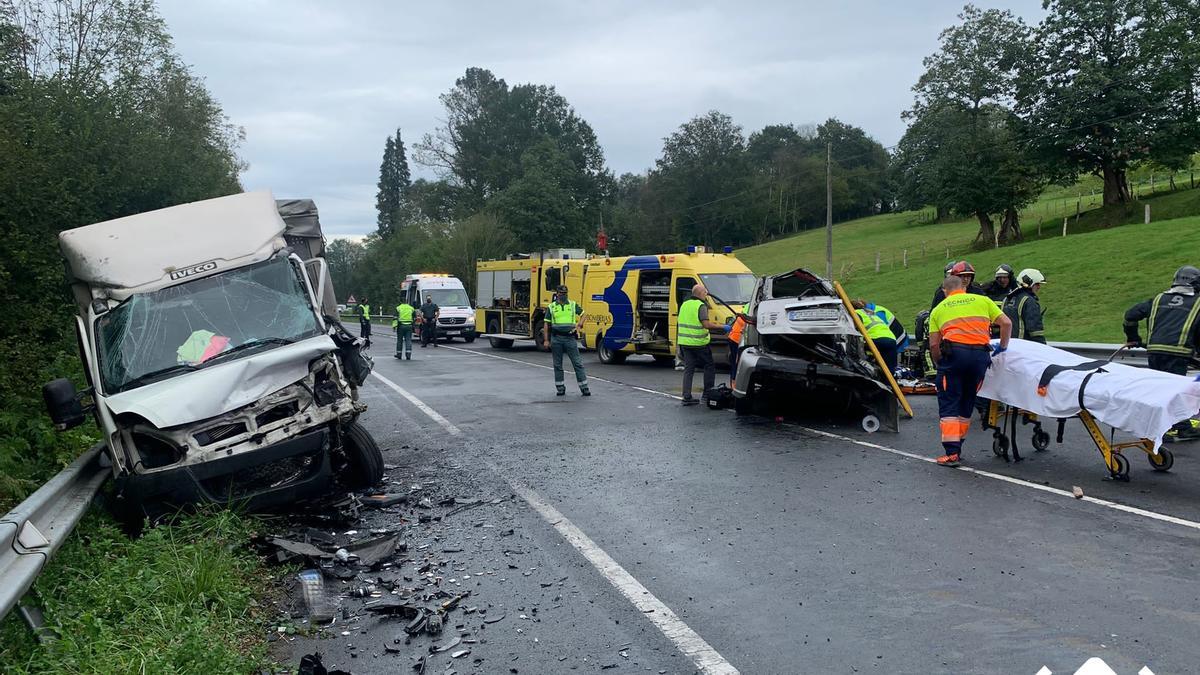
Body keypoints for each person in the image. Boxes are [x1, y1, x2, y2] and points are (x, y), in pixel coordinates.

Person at [929, 267, 1012, 466]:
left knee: (949, 402)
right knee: (967, 401)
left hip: (954, 356)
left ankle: (951, 453)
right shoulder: (982, 300)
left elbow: (933, 344)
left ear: (945, 291)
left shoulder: (939, 309)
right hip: (980, 356)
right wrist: (1002, 346)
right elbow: (1007, 323)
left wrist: (939, 362)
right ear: (963, 287)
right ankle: (959, 445)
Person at [1124, 265, 1200, 440]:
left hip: (1154, 351)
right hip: (1178, 353)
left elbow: (1130, 315)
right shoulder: (1197, 302)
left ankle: (1159, 425)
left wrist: (1133, 337)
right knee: (1176, 390)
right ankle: (1181, 427)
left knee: (1160, 389)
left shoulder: (1158, 299)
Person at [678, 283, 730, 406]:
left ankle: (686, 396)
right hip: (699, 343)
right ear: (701, 294)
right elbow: (706, 325)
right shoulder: (701, 306)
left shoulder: (685, 304)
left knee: (689, 369)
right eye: (705, 293)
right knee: (709, 366)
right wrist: (723, 327)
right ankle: (707, 394)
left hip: (685, 342)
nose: (706, 295)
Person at [541, 285, 590, 397]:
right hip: (556, 338)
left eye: (565, 293)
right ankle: (560, 388)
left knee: (577, 363)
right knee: (558, 365)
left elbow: (584, 314)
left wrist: (580, 324)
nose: (563, 295)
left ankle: (584, 387)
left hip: (570, 338)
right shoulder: (552, 307)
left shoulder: (572, 305)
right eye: (561, 293)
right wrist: (546, 340)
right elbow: (546, 324)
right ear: (557, 294)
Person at [852, 299, 900, 374]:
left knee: (858, 352)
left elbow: (855, 331)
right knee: (890, 369)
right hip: (891, 339)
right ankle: (892, 384)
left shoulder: (855, 313)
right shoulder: (871, 313)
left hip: (875, 339)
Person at [1003, 268, 1047, 344]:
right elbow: (1035, 331)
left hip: (1007, 346)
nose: (1039, 287)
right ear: (1029, 283)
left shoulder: (1007, 299)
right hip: (1024, 348)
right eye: (1037, 284)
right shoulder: (1029, 301)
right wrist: (1043, 347)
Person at [727, 313, 748, 383]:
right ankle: (734, 385)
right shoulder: (752, 306)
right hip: (737, 339)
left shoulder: (748, 306)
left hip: (736, 337)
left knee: (736, 364)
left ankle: (734, 384)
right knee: (737, 364)